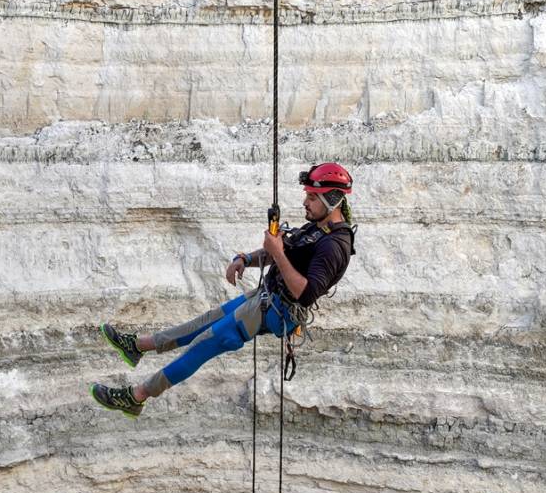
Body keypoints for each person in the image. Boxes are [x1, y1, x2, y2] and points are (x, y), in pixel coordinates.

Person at [90, 162, 357, 418]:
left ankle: (136, 397)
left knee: (203, 344)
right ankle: (137, 346)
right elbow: (281, 251)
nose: (305, 202)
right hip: (267, 298)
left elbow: (306, 292)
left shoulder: (334, 246)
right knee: (202, 323)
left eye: (312, 197)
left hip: (276, 311)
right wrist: (245, 259)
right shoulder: (318, 228)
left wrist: (278, 253)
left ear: (332, 199)